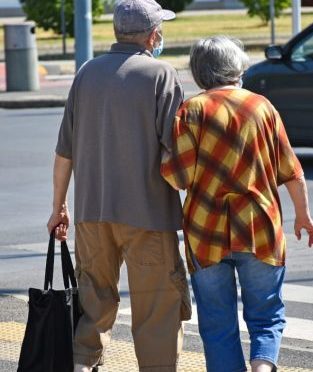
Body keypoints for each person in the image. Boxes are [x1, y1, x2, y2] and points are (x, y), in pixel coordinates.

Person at [47, 0, 191, 371]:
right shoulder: (161, 75)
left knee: (93, 307)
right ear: (152, 34)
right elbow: (176, 153)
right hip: (149, 216)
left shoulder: (86, 74)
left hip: (92, 215)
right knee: (157, 312)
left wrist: (59, 207)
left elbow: (65, 151)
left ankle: (81, 367)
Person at [161, 36, 313, 372]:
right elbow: (291, 170)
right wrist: (303, 215)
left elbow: (178, 177)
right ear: (237, 66)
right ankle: (263, 368)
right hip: (259, 228)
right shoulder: (262, 107)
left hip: (206, 233)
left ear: (200, 72)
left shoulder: (192, 111)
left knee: (217, 326)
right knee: (266, 316)